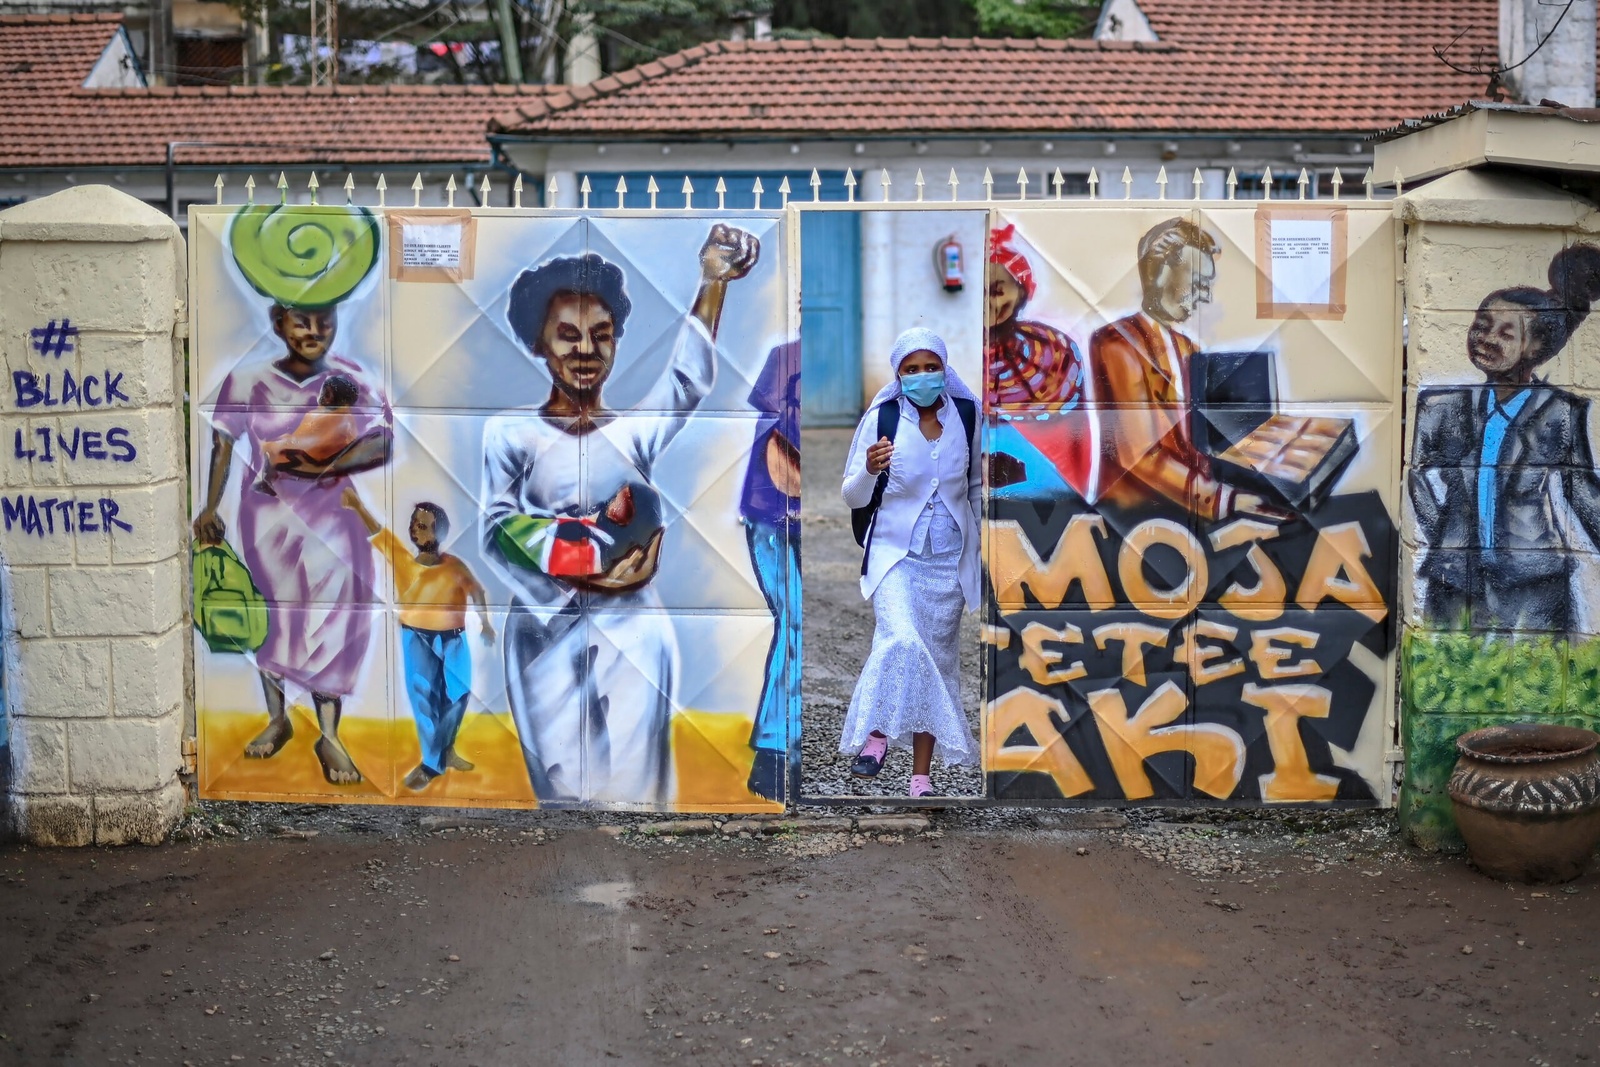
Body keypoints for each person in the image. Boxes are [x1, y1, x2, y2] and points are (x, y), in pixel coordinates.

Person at [482, 225, 760, 805]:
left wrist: (713, 282)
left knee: (637, 783)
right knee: (559, 783)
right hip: (542, 630)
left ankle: (636, 860)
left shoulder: (634, 433)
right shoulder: (509, 433)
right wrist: (581, 569)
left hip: (632, 625)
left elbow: (686, 379)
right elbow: (494, 529)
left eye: (601, 335)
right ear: (537, 344)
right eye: (566, 336)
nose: (585, 351)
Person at [194, 293, 392, 786]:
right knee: (275, 618)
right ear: (278, 322)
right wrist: (210, 507)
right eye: (301, 320)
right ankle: (278, 719)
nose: (314, 331)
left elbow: (382, 441)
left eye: (325, 320)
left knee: (333, 621)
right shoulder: (247, 379)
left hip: (334, 520)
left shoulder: (351, 378)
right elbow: (223, 443)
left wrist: (323, 466)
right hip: (268, 523)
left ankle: (329, 736)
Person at [1411, 243, 1600, 632]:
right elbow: (1414, 475)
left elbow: (1581, 492)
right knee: (1451, 662)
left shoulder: (1560, 412)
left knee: (1539, 665)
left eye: (1505, 333)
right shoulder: (1440, 407)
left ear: (1535, 348)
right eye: (1481, 325)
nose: (1486, 338)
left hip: (1535, 583)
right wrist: (1443, 532)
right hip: (1454, 581)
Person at [839, 327, 980, 798]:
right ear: (898, 374)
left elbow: (975, 486)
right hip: (896, 556)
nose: (923, 376)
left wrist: (984, 549)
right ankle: (877, 736)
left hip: (949, 562)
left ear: (945, 369)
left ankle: (921, 779)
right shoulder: (882, 418)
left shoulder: (966, 414)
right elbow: (852, 495)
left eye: (931, 367)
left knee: (938, 666)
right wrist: (870, 468)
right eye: (912, 369)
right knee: (900, 639)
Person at [1088, 217, 1278, 521]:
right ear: (1160, 273)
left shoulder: (1189, 348)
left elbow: (1203, 438)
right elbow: (1139, 455)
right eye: (1198, 283)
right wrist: (1223, 499)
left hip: (1189, 514)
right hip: (1136, 518)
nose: (1206, 296)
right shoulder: (1116, 344)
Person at [341, 488, 496, 790]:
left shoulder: (454, 566)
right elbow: (378, 533)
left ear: (439, 533)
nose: (415, 529)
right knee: (425, 702)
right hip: (417, 639)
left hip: (454, 639)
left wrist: (486, 623)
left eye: (423, 525)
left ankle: (445, 752)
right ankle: (430, 765)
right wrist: (358, 505)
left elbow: (477, 591)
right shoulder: (403, 560)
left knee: (458, 694)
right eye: (414, 523)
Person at [740, 342, 801, 802]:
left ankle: (778, 749)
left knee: (795, 623)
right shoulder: (786, 357)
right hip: (771, 515)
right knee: (793, 620)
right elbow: (777, 443)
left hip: (784, 513)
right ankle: (775, 752)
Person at [256, 373, 360, 497]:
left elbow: (308, 443)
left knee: (267, 448)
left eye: (326, 394)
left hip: (309, 460)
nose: (321, 397)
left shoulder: (327, 418)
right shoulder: (347, 420)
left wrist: (281, 444)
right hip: (318, 460)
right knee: (278, 441)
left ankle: (267, 484)